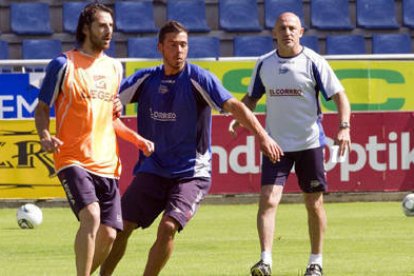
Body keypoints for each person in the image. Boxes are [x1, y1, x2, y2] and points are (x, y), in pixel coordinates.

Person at [99, 20, 282, 276]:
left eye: (184, 45)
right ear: (160, 47)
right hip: (153, 170)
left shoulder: (199, 78)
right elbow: (108, 103)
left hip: (191, 173)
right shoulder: (146, 78)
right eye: (173, 45)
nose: (179, 50)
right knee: (120, 227)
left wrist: (262, 135)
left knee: (168, 228)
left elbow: (234, 106)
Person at [34, 3, 154, 276]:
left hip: (107, 163)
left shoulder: (114, 68)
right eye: (102, 25)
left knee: (110, 234)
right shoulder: (63, 65)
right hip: (72, 157)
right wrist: (44, 135)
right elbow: (41, 108)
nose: (109, 31)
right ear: (86, 28)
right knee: (91, 215)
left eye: (111, 26)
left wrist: (138, 140)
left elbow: (110, 118)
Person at [229, 12, 351, 276]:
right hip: (276, 145)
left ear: (301, 32)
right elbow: (251, 98)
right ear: (274, 32)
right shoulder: (264, 64)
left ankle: (315, 262)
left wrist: (344, 127)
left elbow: (340, 96)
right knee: (268, 200)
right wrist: (240, 118)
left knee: (314, 203)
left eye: (292, 28)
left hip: (309, 144)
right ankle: (265, 261)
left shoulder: (313, 62)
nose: (287, 32)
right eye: (282, 28)